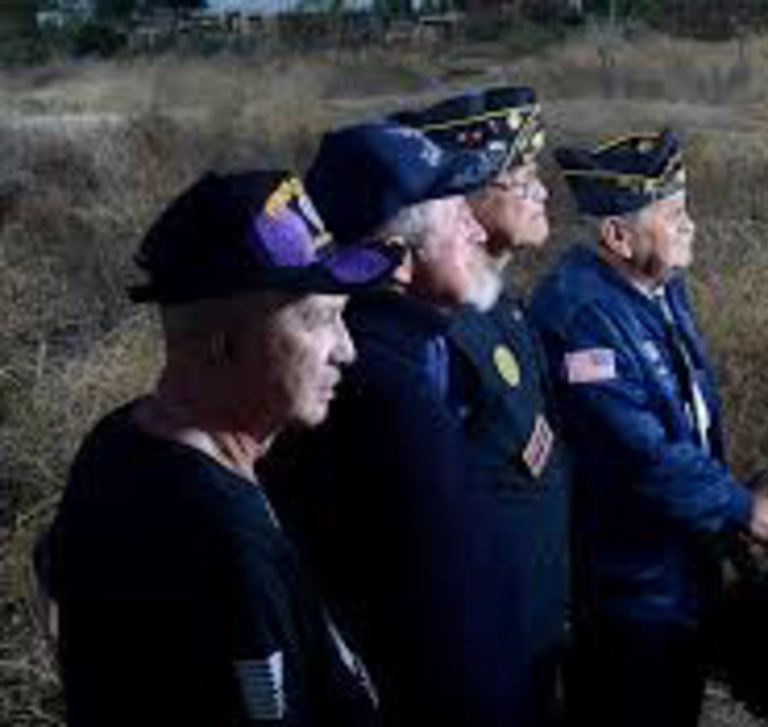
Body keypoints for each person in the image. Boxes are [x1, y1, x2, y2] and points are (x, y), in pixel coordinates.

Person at [35, 170, 396, 725]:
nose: (346, 350)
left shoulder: (116, 440)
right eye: (320, 319)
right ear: (221, 345)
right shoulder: (224, 546)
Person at [530, 129, 768, 727]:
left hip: (675, 568)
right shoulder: (580, 316)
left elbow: (686, 411)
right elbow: (642, 455)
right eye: (673, 215)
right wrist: (738, 506)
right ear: (617, 236)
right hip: (627, 587)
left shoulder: (658, 285)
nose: (691, 226)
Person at [260, 121, 528, 727]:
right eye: (458, 212)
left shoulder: (412, 356)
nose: (476, 227)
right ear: (400, 257)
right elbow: (444, 622)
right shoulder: (378, 394)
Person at [391, 86, 569, 726]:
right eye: (521, 179)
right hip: (481, 644)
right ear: (466, 198)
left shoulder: (503, 306)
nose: (542, 192)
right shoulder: (432, 335)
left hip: (533, 618)